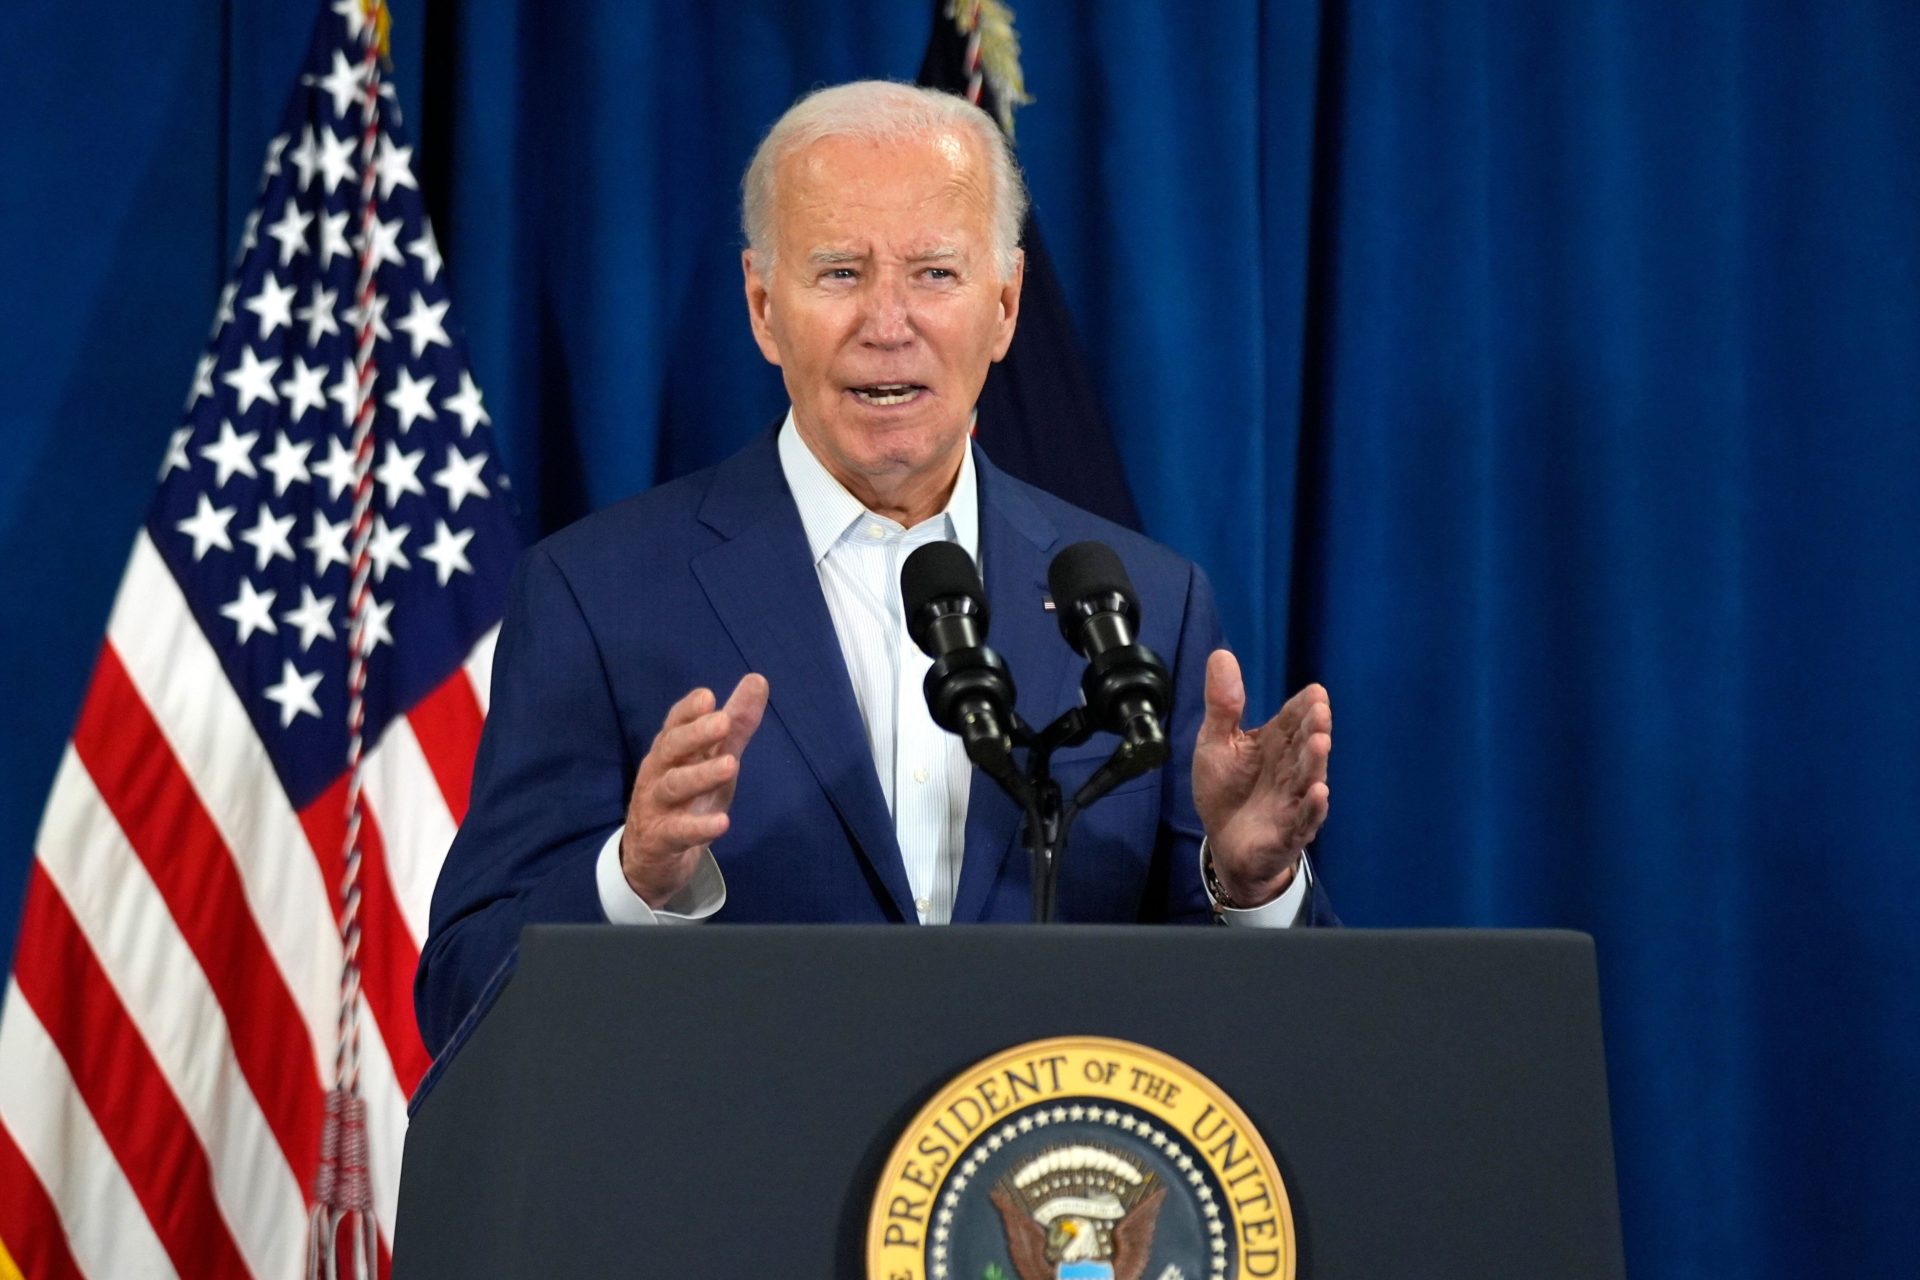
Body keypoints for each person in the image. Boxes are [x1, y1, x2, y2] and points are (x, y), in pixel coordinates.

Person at [415, 82, 1334, 1057]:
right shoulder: (599, 594)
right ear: (765, 308)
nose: (887, 321)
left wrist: (1252, 886)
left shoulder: (1142, 603)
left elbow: (1271, 1041)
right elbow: (464, 993)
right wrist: (632, 878)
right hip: (742, 1196)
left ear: (1006, 305)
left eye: (935, 273)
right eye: (840, 272)